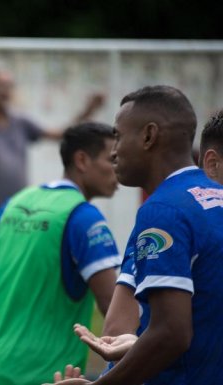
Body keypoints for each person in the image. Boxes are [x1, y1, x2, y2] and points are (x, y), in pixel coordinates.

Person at [50, 85, 223, 385]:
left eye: (117, 136)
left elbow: (171, 333)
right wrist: (137, 343)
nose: (114, 152)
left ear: (148, 136)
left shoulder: (163, 211)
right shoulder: (214, 197)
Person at [0, 121, 122, 385]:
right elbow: (114, 309)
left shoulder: (18, 202)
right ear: (82, 160)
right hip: (48, 376)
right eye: (111, 160)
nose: (118, 169)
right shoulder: (85, 218)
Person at [0, 69, 106, 233]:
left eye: (8, 86)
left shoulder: (20, 120)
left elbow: (61, 134)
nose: (4, 90)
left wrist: (88, 111)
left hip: (19, 208)